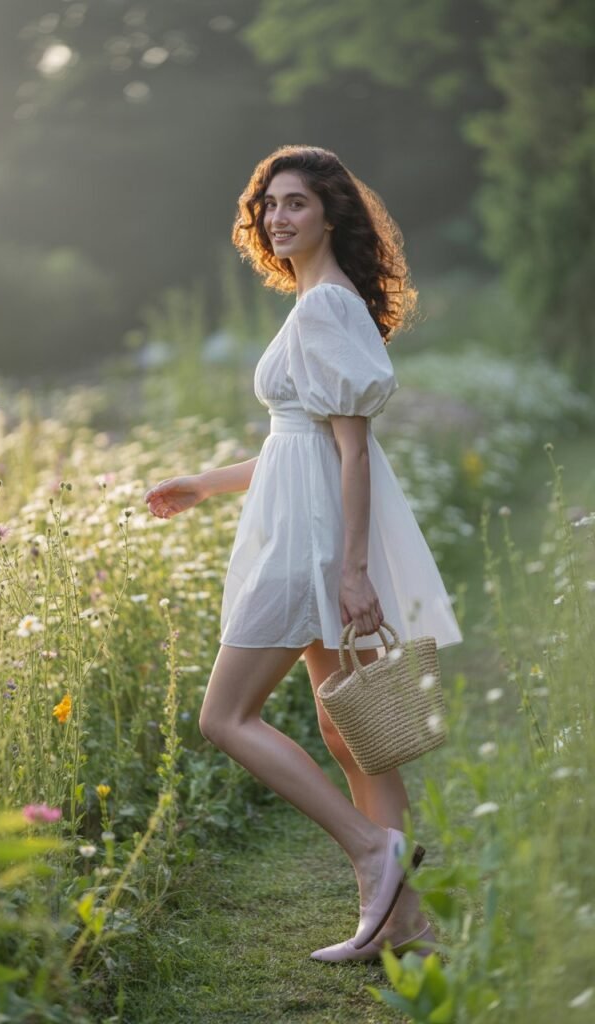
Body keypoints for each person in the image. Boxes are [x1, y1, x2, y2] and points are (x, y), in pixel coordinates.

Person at [144, 145, 463, 962]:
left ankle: (369, 850)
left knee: (225, 716)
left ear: (332, 214)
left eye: (295, 204)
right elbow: (299, 446)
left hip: (311, 538)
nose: (277, 218)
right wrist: (206, 483)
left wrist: (352, 572)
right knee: (352, 729)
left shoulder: (326, 308)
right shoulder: (321, 303)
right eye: (268, 206)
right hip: (297, 515)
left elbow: (352, 455)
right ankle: (406, 926)